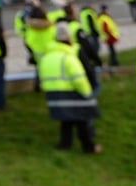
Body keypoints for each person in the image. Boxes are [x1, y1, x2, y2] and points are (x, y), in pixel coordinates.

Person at [39, 24, 100, 154]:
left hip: (54, 95)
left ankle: (65, 144)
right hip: (71, 93)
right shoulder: (68, 57)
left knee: (66, 121)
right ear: (69, 38)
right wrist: (88, 93)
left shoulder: (46, 57)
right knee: (81, 121)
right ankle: (88, 147)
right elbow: (79, 78)